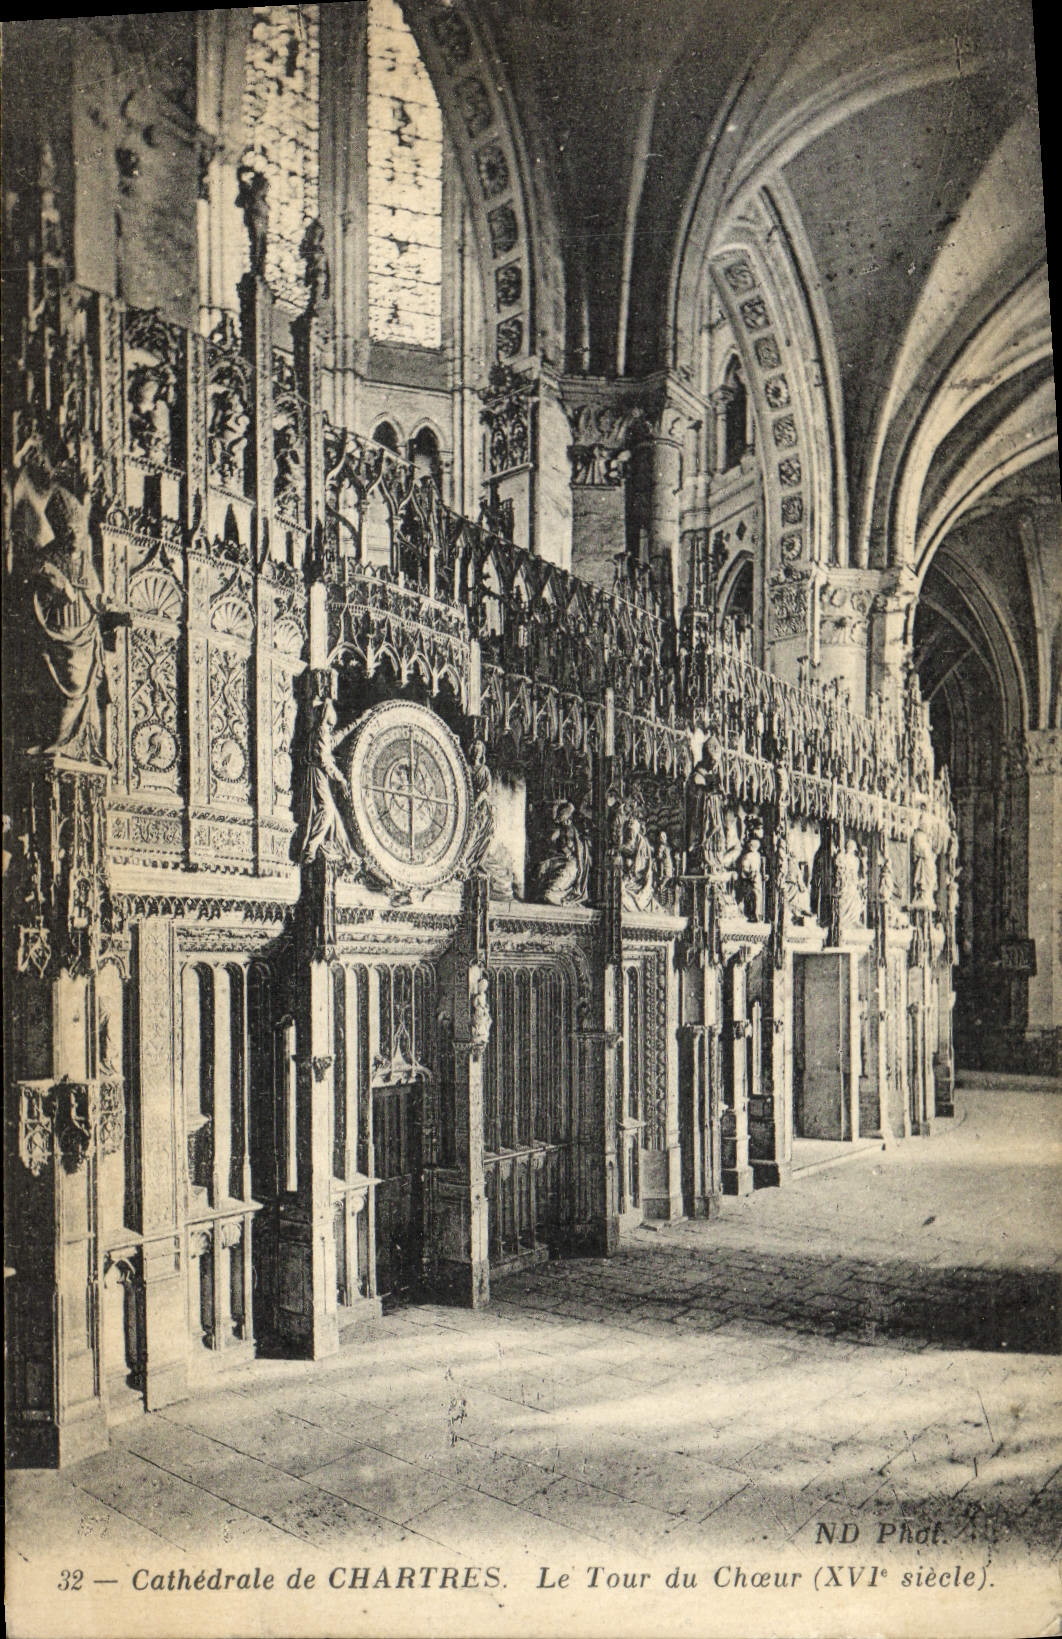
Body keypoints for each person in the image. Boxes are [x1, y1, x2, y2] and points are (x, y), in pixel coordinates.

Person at [298, 699, 357, 866]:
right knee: (328, 809)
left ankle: (348, 854)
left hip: (317, 773)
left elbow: (335, 739)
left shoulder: (321, 731)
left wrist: (357, 722)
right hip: (318, 774)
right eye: (331, 725)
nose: (331, 729)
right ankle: (311, 848)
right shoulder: (322, 732)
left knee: (334, 816)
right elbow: (324, 760)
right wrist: (341, 779)